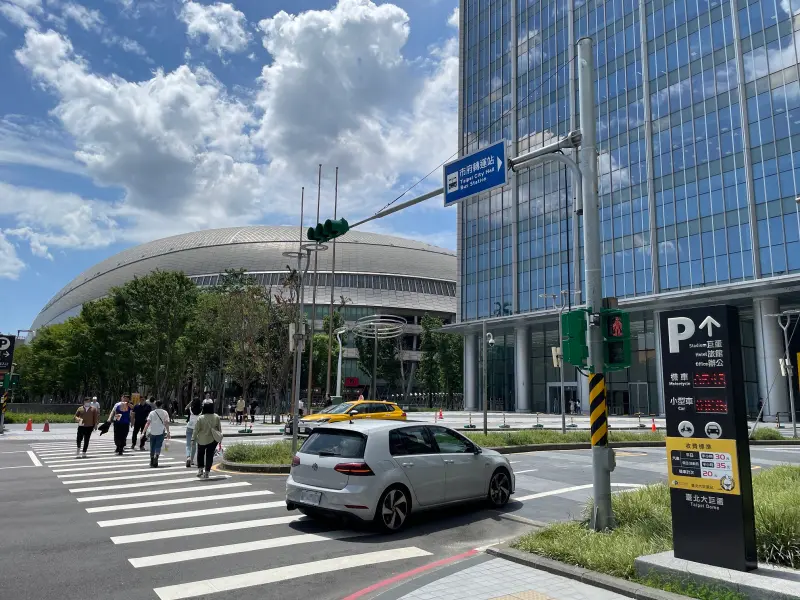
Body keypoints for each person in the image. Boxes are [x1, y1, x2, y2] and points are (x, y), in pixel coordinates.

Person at [193, 400, 222, 479]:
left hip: (201, 440)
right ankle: (207, 472)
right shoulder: (216, 417)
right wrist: (220, 439)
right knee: (209, 456)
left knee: (200, 455)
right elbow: (219, 429)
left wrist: (193, 439)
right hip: (212, 439)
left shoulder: (200, 418)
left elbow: (196, 429)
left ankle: (200, 470)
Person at [143, 399, 170, 468]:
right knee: (158, 446)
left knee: (152, 446)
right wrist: (168, 432)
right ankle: (156, 456)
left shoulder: (152, 413)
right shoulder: (165, 412)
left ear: (155, 405)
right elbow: (166, 423)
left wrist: (143, 432)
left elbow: (147, 423)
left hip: (152, 432)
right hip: (161, 432)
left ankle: (152, 460)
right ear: (161, 405)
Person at [184, 398, 202, 468]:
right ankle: (191, 460)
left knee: (188, 444)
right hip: (197, 428)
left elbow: (185, 408)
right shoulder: (201, 410)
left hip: (189, 427)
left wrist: (190, 403)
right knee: (194, 445)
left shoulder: (190, 409)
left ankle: (188, 457)